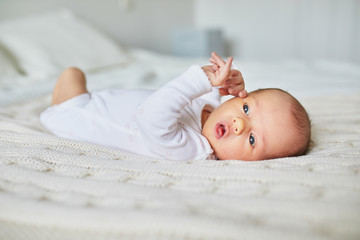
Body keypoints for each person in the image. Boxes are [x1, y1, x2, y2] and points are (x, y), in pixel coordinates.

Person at [40, 52, 311, 161]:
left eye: (252, 139)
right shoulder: (212, 112)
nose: (239, 124)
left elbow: (149, 118)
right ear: (239, 97)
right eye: (247, 109)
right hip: (103, 99)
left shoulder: (195, 149)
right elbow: (208, 102)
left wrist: (200, 79)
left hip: (76, 113)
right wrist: (223, 84)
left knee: (72, 73)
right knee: (75, 71)